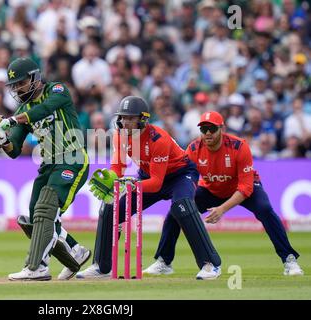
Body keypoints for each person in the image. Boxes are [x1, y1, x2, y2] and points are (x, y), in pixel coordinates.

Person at [76, 96, 222, 280]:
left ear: (143, 119)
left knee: (182, 206)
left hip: (180, 174)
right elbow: (118, 168)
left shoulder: (158, 139)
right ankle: (102, 268)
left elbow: (156, 184)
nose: (125, 122)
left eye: (130, 118)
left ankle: (211, 264)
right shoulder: (119, 136)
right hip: (147, 175)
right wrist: (113, 179)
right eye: (123, 117)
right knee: (110, 208)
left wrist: (129, 185)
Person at [145, 111, 304, 276]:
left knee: (265, 209)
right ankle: (164, 262)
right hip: (211, 189)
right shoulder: (193, 148)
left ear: (222, 128)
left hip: (241, 188)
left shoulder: (239, 146)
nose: (207, 133)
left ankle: (289, 260)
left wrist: (222, 209)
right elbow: (184, 175)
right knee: (176, 211)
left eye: (212, 129)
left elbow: (246, 188)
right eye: (204, 129)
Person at [0, 57, 91, 281]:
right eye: (14, 86)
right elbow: (14, 150)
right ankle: (76, 252)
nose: (17, 89)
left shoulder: (57, 90)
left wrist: (12, 121)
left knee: (46, 209)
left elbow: (46, 108)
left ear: (34, 77)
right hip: (48, 164)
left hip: (73, 158)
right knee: (35, 218)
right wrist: (1, 139)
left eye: (21, 83)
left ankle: (38, 267)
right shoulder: (22, 110)